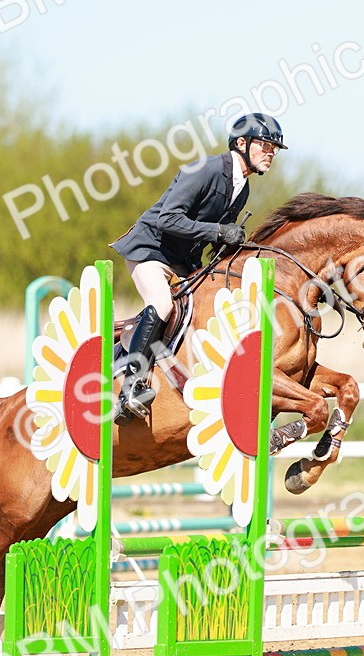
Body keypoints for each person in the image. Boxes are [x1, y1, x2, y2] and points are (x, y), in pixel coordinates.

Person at [109, 112, 286, 424]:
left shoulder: (241, 188)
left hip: (184, 261)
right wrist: (218, 232)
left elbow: (214, 237)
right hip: (150, 249)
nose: (270, 153)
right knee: (161, 304)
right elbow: (167, 218)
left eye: (274, 149)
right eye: (266, 145)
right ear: (242, 143)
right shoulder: (206, 169)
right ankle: (130, 388)